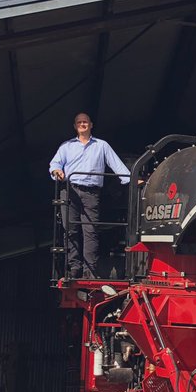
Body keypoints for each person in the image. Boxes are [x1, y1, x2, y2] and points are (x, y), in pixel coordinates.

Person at [49, 112, 130, 279]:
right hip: (69, 190)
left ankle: (89, 271)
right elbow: (55, 164)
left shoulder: (102, 145)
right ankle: (74, 268)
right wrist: (57, 171)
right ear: (75, 126)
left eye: (85, 122)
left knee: (90, 231)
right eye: (79, 122)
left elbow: (116, 164)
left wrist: (130, 179)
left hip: (91, 192)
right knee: (70, 230)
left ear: (91, 125)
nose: (82, 124)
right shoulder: (66, 146)